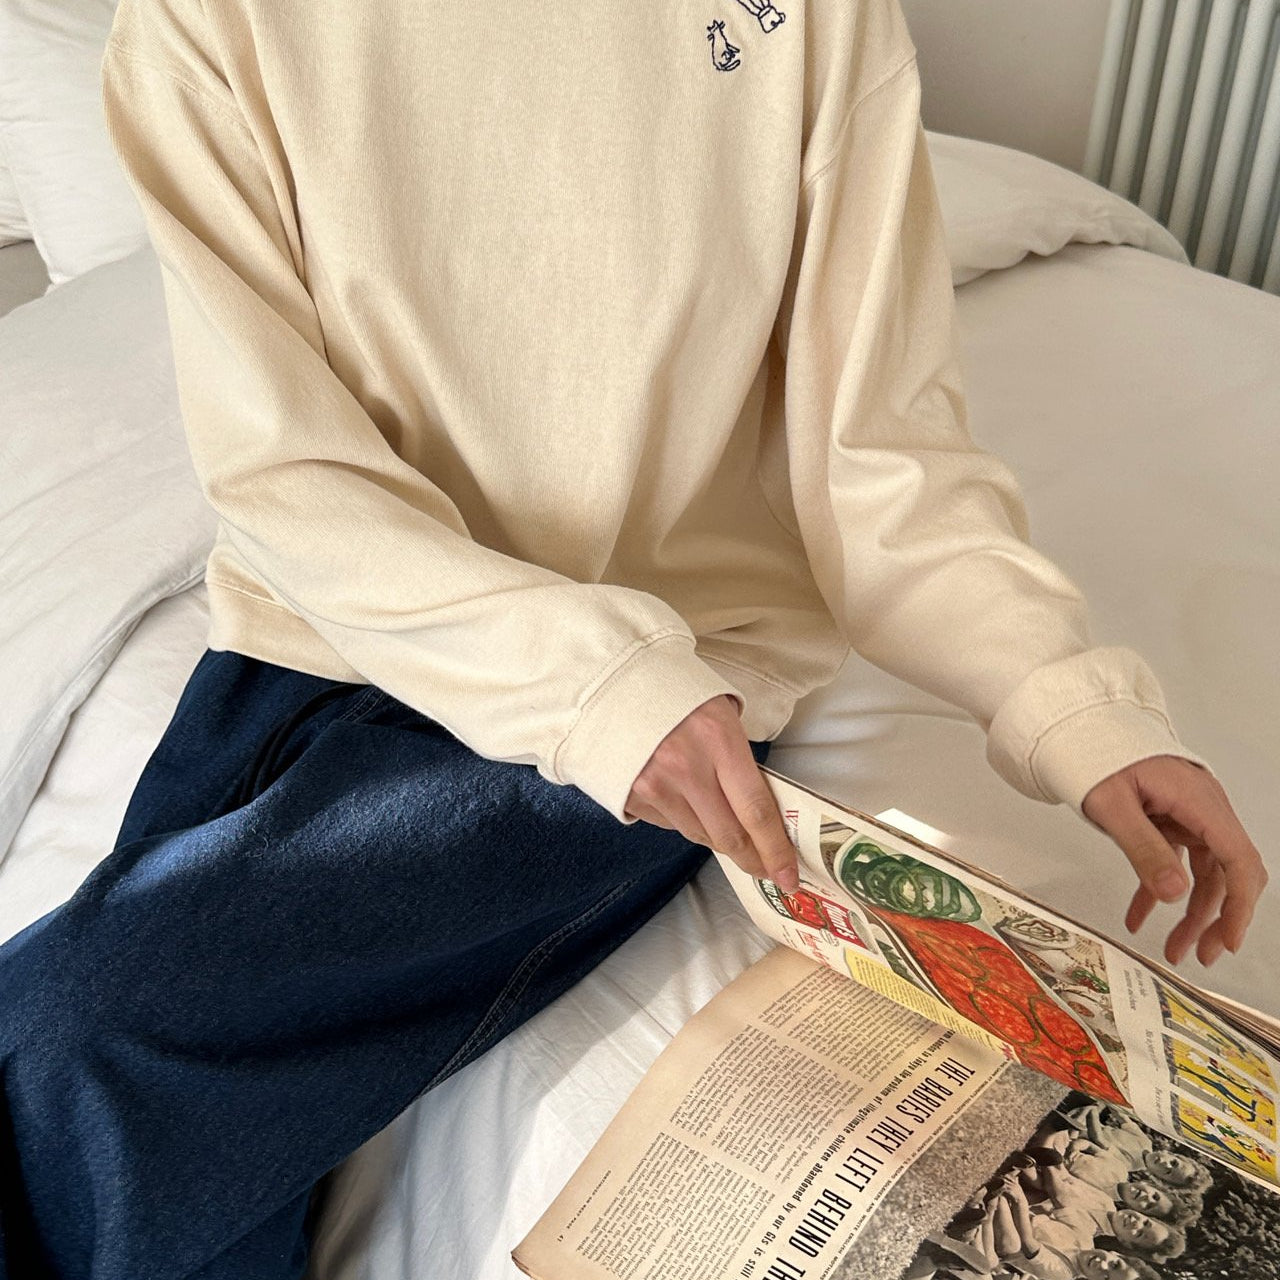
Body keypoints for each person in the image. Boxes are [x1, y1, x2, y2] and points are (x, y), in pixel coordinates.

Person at [0, 0, 1267, 1275]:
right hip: (325, 635)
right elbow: (285, 477)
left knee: (80, 1038)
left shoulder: (814, 19)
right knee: (83, 1067)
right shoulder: (207, 26)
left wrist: (1067, 703)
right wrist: (587, 684)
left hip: (668, 678)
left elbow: (883, 459)